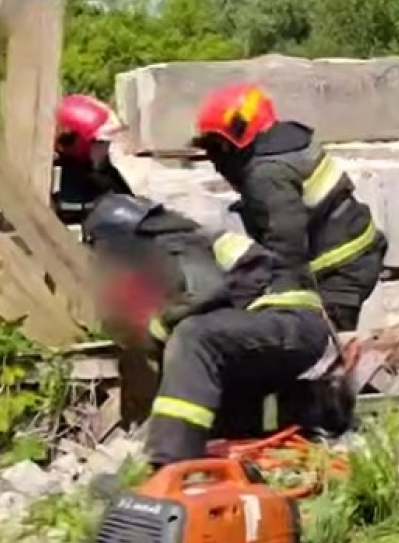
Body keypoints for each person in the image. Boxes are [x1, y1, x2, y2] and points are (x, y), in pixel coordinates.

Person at [83, 194, 352, 471]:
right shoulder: (180, 241)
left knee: (193, 336)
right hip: (283, 325)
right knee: (208, 349)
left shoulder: (173, 243)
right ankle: (227, 453)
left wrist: (159, 330)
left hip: (288, 321)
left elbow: (208, 291)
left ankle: (170, 460)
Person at [191, 83, 386, 332]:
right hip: (357, 249)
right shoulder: (291, 143)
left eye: (217, 146)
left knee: (317, 346)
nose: (216, 159)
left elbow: (287, 242)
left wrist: (281, 301)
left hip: (340, 268)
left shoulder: (266, 175)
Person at [51, 94, 134, 225]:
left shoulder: (105, 172)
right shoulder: (76, 176)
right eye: (100, 143)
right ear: (74, 142)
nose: (106, 148)